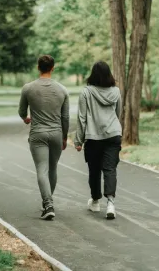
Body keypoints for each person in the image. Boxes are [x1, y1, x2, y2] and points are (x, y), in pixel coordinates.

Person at [18, 55, 70, 220]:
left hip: (38, 134)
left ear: (38, 67)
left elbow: (21, 111)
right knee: (52, 168)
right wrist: (64, 137)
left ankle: (48, 204)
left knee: (42, 169)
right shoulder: (62, 90)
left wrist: (26, 119)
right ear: (53, 68)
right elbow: (66, 117)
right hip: (56, 133)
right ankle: (48, 202)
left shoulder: (28, 88)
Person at [74, 61, 122, 220]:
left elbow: (81, 118)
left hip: (93, 137)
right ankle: (111, 203)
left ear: (93, 75)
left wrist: (78, 140)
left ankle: (95, 201)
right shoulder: (116, 92)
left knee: (94, 170)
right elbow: (118, 113)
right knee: (110, 169)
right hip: (113, 134)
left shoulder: (86, 92)